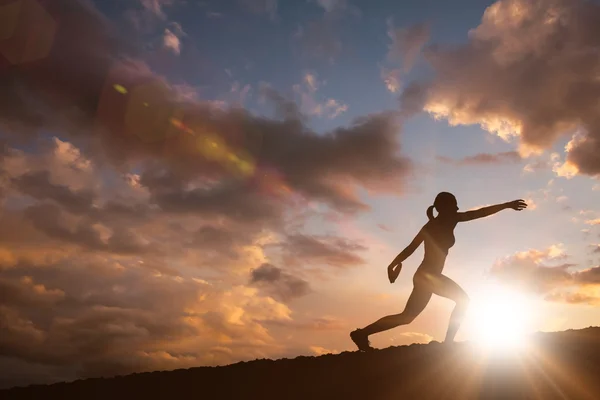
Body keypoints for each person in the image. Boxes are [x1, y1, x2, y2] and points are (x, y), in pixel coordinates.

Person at [350, 192, 527, 351]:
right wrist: (506, 205)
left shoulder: (433, 224)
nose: (457, 207)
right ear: (445, 207)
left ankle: (362, 334)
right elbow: (479, 213)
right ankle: (448, 343)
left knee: (407, 317)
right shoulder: (446, 221)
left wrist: (393, 264)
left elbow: (410, 248)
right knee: (463, 300)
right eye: (454, 204)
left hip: (424, 276)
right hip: (429, 275)